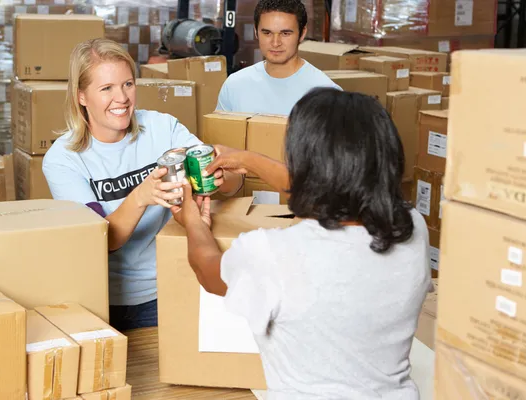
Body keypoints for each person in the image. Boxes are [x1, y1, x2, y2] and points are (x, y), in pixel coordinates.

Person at [172, 88, 431, 399]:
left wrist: (192, 222)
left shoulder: (275, 253)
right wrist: (249, 161)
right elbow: (340, 188)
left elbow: (206, 269)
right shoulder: (413, 227)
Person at [42, 38, 242, 331]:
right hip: (105, 303)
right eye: (106, 88)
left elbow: (234, 181)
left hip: (174, 286)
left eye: (127, 84)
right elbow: (101, 241)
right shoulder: (63, 160)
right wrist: (140, 197)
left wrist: (221, 178)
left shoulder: (163, 128)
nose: (121, 98)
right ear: (82, 96)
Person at [216, 0, 341, 115]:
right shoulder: (234, 85)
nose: (275, 43)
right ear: (256, 32)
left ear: (302, 34)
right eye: (267, 33)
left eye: (285, 33)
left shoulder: (327, 94)